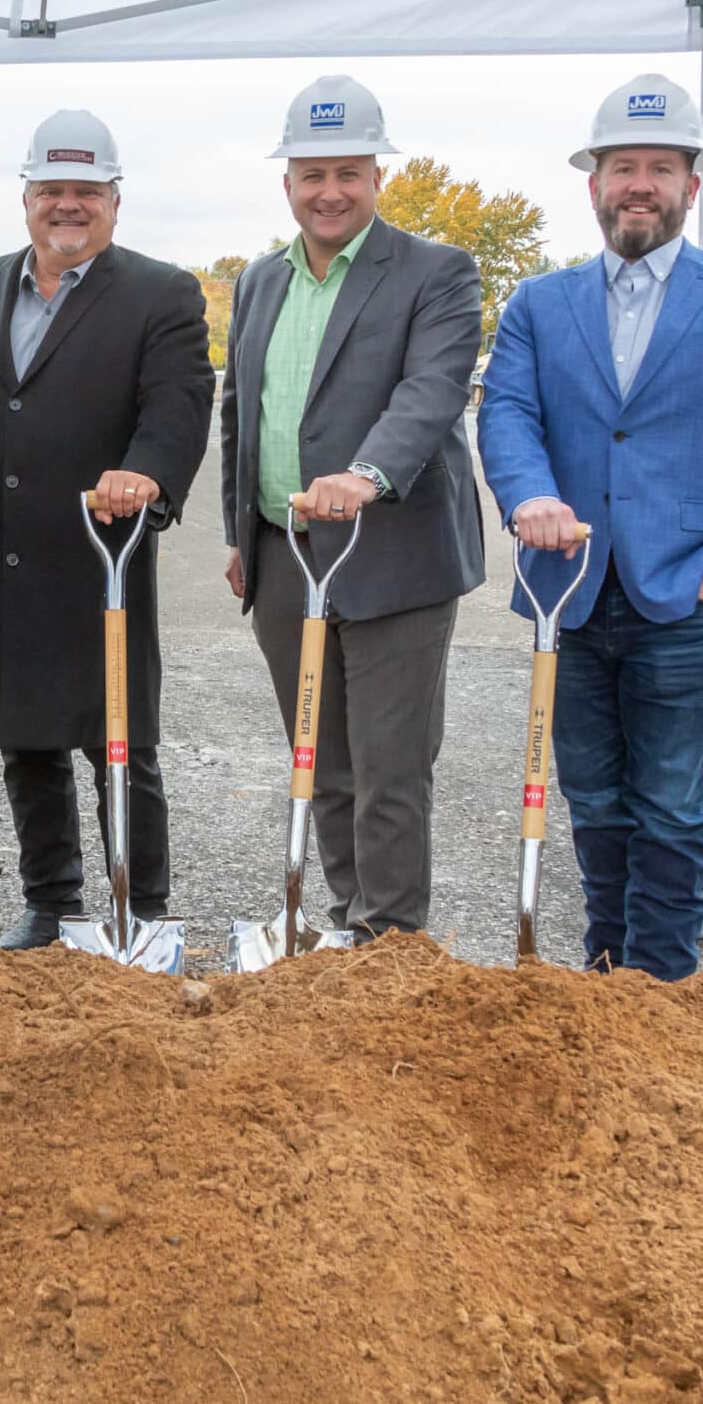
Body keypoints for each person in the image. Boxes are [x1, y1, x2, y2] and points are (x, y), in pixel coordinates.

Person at [478, 74, 703, 978]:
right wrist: (528, 499)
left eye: (659, 168)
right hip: (569, 590)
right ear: (593, 183)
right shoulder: (539, 304)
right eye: (621, 166)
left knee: (672, 802)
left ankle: (660, 985)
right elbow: (506, 415)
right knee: (592, 794)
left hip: (688, 596)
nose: (639, 184)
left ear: (690, 187)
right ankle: (605, 964)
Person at [0, 111, 213, 950]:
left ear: (115, 203)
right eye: (52, 189)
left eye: (86, 191)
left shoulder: (162, 292)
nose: (68, 206)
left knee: (119, 741)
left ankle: (143, 910)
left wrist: (147, 472)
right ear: (25, 199)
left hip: (101, 555)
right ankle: (52, 902)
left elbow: (179, 401)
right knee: (26, 740)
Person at [217, 76, 485, 940]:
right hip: (286, 558)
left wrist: (366, 475)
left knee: (390, 770)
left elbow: (432, 390)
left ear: (378, 176)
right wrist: (239, 533)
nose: (328, 191)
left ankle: (391, 944)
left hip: (391, 555)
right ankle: (345, 925)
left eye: (347, 172)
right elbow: (242, 408)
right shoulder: (260, 281)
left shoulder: (435, 272)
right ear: (286, 183)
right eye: (310, 174)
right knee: (321, 764)